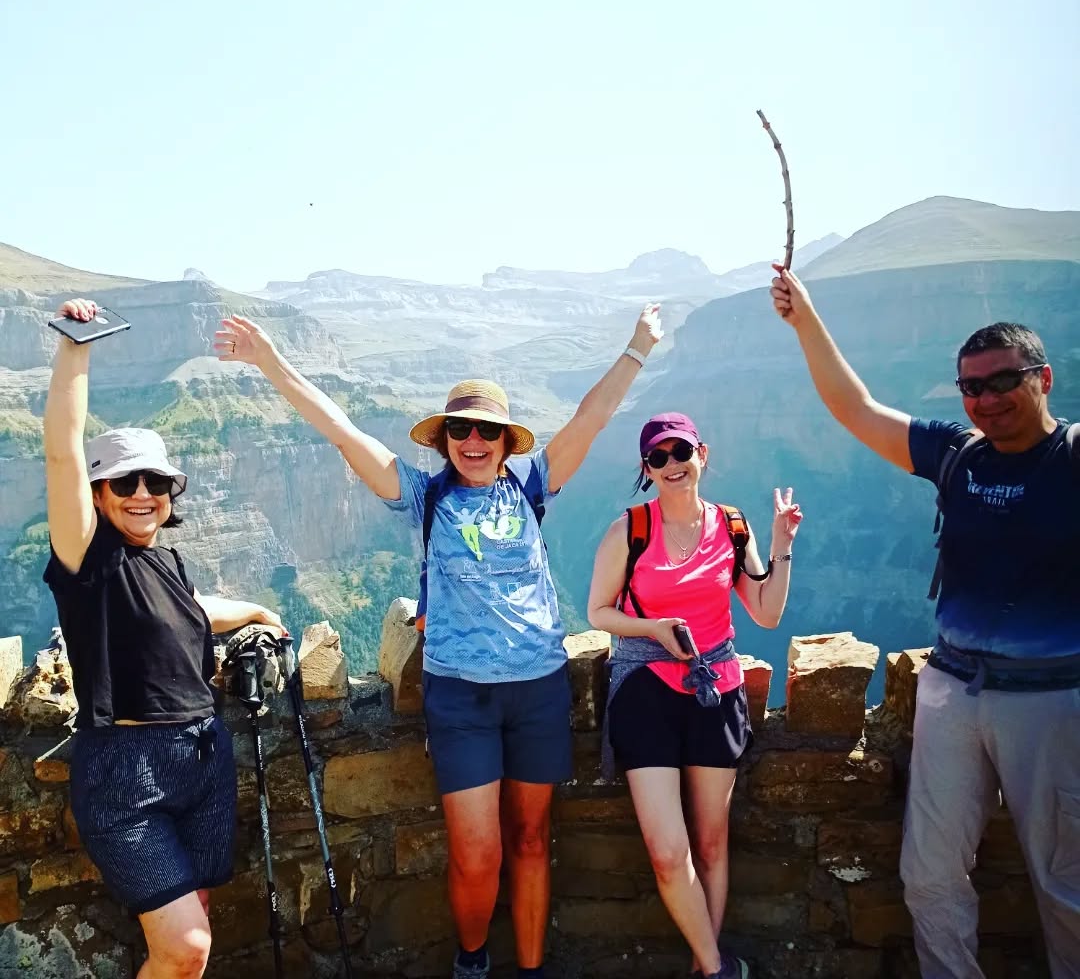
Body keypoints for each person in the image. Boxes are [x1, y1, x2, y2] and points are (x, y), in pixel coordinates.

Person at [214, 303, 664, 979]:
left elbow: (591, 419)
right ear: (444, 439)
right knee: (477, 852)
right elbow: (340, 432)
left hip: (540, 688)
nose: (473, 441)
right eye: (460, 430)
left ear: (507, 440)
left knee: (533, 841)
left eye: (487, 430)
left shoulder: (533, 486)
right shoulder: (425, 497)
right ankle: (473, 963)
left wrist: (637, 347)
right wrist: (271, 362)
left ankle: (533, 970)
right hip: (461, 699)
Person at [770, 266, 1080, 978]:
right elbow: (856, 408)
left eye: (1003, 381)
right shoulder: (955, 453)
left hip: (1054, 699)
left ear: (1045, 379)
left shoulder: (1073, 457)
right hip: (950, 692)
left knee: (1067, 883)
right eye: (971, 386)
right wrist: (805, 320)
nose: (986, 400)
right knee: (930, 875)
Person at [43, 298, 287, 979]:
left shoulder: (164, 558)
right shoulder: (84, 557)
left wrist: (259, 611)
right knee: (187, 948)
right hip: (126, 770)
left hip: (202, 759)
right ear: (98, 493)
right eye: (124, 482)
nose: (142, 493)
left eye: (156, 481)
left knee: (191, 925)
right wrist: (75, 351)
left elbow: (188, 609)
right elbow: (61, 454)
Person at [586, 412, 802, 979]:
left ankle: (700, 966)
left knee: (710, 845)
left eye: (679, 451)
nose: (671, 465)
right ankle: (716, 967)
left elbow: (767, 612)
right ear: (646, 469)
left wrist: (781, 544)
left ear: (702, 453)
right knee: (666, 850)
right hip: (645, 694)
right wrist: (655, 628)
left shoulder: (732, 526)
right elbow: (597, 611)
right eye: (657, 458)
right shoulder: (629, 530)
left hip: (716, 693)